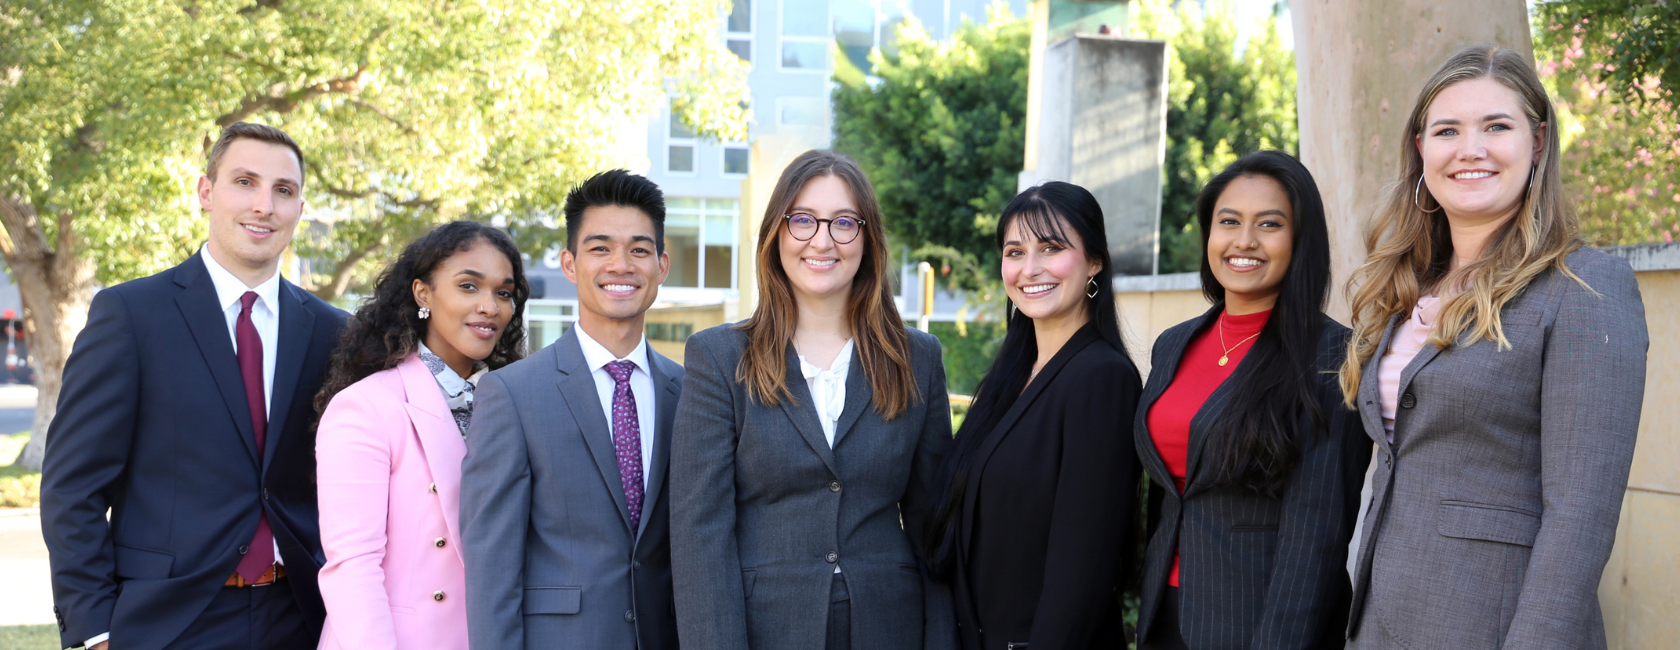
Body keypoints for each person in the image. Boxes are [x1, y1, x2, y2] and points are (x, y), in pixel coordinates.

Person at [1341, 45, 1647, 650]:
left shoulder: (1583, 287)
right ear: (1421, 148)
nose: (1470, 148)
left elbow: (1579, 521)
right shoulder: (1408, 284)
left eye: (1496, 127)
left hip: (1492, 628)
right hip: (1380, 621)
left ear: (1536, 143)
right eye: (1447, 129)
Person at [41, 122, 348, 650]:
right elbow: (74, 486)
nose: (264, 206)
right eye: (245, 182)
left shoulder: (333, 331)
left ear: (300, 207)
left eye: (284, 190)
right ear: (207, 192)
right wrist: (95, 630)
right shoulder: (131, 316)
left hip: (300, 617)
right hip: (167, 622)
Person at [671, 150, 954, 650]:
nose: (822, 240)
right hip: (766, 630)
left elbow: (934, 528)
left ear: (867, 239)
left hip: (891, 627)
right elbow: (700, 536)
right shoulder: (718, 357)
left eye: (844, 222)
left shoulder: (917, 357)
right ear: (776, 233)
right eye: (802, 220)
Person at [1131, 151, 1369, 650]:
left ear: (1300, 240)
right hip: (1165, 614)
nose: (1245, 241)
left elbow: (1318, 539)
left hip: (1259, 623)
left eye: (1269, 224)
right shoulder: (1174, 344)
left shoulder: (1332, 356)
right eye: (1229, 222)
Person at [460, 170, 684, 650]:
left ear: (662, 266)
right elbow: (491, 568)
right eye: (600, 248)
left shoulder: (690, 391)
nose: (621, 265)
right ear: (569, 263)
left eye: (639, 250)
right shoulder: (512, 394)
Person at [921, 181, 1143, 650]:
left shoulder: (1103, 378)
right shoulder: (1013, 374)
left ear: (1094, 262)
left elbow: (1081, 568)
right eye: (1015, 251)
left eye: (1051, 248)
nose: (1030, 269)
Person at [313, 221, 529, 650]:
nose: (489, 306)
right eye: (469, 286)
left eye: (503, 293)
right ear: (422, 294)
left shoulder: (516, 402)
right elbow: (352, 568)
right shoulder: (367, 406)